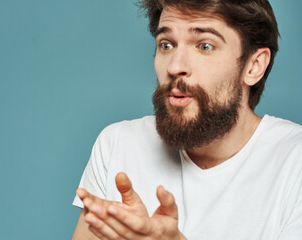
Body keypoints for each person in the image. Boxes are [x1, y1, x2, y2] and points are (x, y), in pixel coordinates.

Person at [72, 0, 302, 239]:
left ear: (254, 65)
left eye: (204, 46)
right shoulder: (117, 145)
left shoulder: (295, 162)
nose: (175, 66)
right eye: (167, 45)